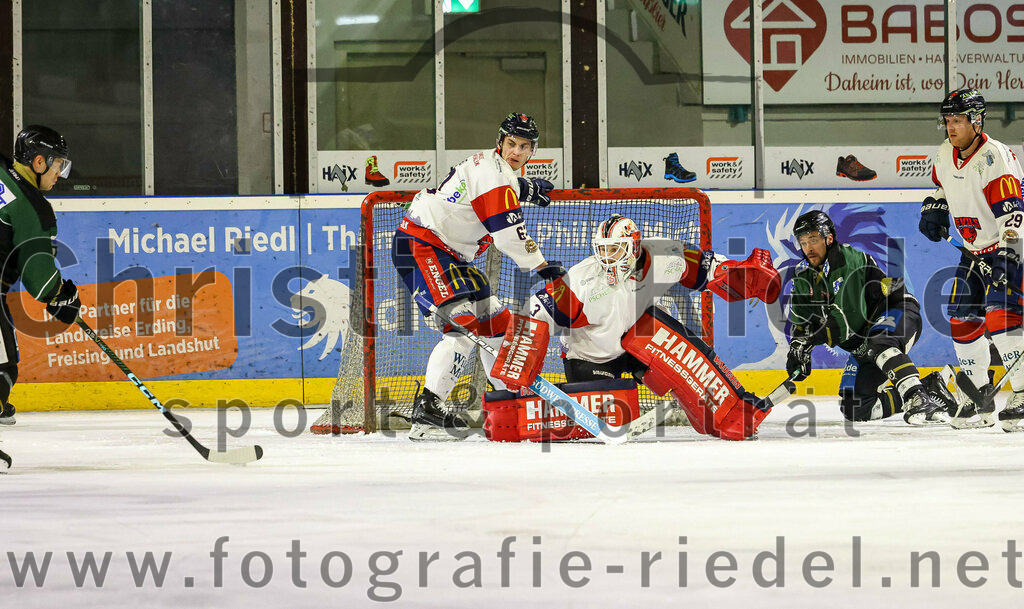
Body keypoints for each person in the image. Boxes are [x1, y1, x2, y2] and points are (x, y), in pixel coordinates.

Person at [488, 213, 783, 440]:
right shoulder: (580, 282)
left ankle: (730, 412)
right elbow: (535, 314)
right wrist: (517, 367)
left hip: (639, 338)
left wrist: (734, 273)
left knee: (681, 348)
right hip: (590, 356)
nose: (607, 259)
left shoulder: (665, 257)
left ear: (634, 246)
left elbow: (706, 268)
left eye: (616, 250)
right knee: (615, 414)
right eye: (602, 251)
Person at [392, 112, 562, 439]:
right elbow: (507, 235)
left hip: (451, 255)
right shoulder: (494, 175)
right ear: (500, 142)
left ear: (533, 150)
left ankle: (507, 403)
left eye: (524, 146)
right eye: (511, 143)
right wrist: (541, 266)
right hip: (422, 245)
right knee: (462, 326)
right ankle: (428, 404)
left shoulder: (494, 168)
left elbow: (496, 185)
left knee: (498, 327)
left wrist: (523, 187)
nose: (516, 151)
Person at [918, 88, 1024, 431]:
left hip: (1009, 245)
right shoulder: (944, 153)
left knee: (1002, 316)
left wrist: (1009, 256)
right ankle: (979, 397)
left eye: (958, 120)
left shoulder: (994, 158)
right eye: (947, 120)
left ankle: (1022, 393)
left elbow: (1013, 215)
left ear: (977, 121)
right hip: (973, 250)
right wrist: (936, 204)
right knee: (961, 319)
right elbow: (944, 185)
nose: (951, 127)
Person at [787, 210, 950, 425]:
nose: (808, 247)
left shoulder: (847, 259)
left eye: (813, 240)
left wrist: (811, 340)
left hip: (897, 310)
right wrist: (797, 349)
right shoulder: (803, 275)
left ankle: (918, 398)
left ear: (829, 238)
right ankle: (930, 388)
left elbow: (847, 322)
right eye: (803, 242)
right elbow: (801, 322)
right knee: (855, 406)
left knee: (880, 342)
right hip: (866, 340)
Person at [0, 125, 82, 425]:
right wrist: (63, 297)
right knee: (4, 366)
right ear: (38, 162)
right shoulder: (32, 207)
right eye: (58, 164)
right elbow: (40, 279)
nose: (59, 173)